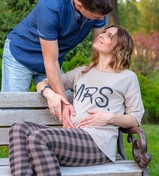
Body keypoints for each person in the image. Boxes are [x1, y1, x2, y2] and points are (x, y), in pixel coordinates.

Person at [9, 25, 145, 176]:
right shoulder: (82, 72)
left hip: (98, 143)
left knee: (38, 138)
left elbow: (135, 118)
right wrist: (50, 94)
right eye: (104, 32)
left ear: (119, 46)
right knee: (18, 128)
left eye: (109, 35)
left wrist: (109, 117)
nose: (101, 35)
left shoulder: (127, 77)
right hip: (72, 138)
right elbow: (43, 83)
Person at [1, 0, 113, 125]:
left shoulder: (94, 1)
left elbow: (99, 47)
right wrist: (64, 102)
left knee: (60, 109)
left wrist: (105, 74)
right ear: (80, 5)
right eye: (97, 17)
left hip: (52, 58)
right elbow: (50, 62)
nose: (101, 19)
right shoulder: (51, 7)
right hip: (21, 55)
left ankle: (46, 144)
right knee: (15, 112)